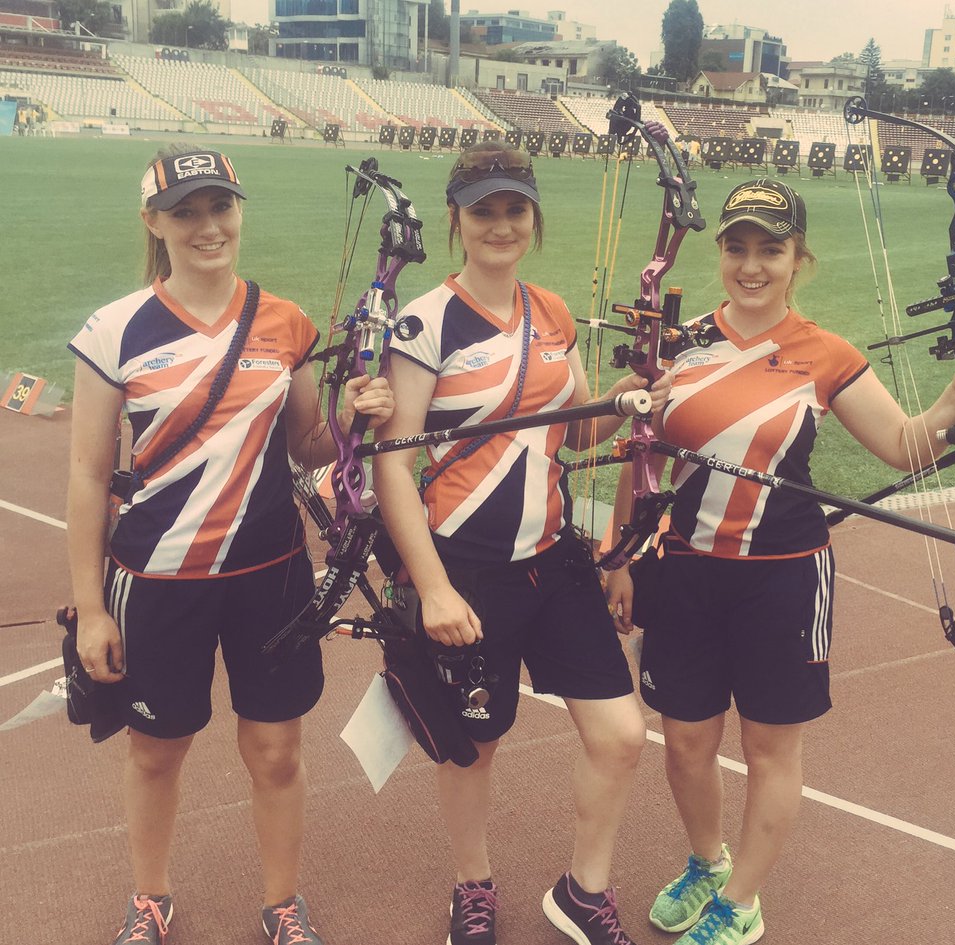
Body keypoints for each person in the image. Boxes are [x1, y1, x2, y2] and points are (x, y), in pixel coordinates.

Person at [605, 178, 955, 945]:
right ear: (720, 252)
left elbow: (905, 445)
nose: (751, 266)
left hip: (783, 577)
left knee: (767, 747)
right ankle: (708, 863)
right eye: (737, 247)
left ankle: (741, 901)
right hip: (684, 570)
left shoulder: (828, 354)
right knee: (685, 742)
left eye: (771, 250)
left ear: (798, 259)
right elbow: (641, 454)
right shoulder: (679, 343)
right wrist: (619, 554)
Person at [66, 146, 394, 945]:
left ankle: (283, 903)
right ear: (154, 223)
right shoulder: (113, 330)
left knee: (276, 750)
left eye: (221, 206)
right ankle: (150, 897)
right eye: (185, 212)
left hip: (270, 576)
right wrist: (89, 608)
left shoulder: (285, 323)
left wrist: (353, 418)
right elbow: (87, 474)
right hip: (157, 578)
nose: (207, 226)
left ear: (240, 211)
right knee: (156, 751)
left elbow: (309, 445)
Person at [373, 141, 665, 945]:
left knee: (621, 735)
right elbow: (394, 465)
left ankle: (583, 892)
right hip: (465, 571)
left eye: (514, 210)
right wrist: (434, 588)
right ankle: (473, 884)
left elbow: (578, 430)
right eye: (483, 211)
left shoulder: (553, 311)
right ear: (456, 220)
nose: (500, 225)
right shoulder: (425, 323)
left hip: (553, 560)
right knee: (473, 745)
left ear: (533, 217)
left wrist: (628, 397)